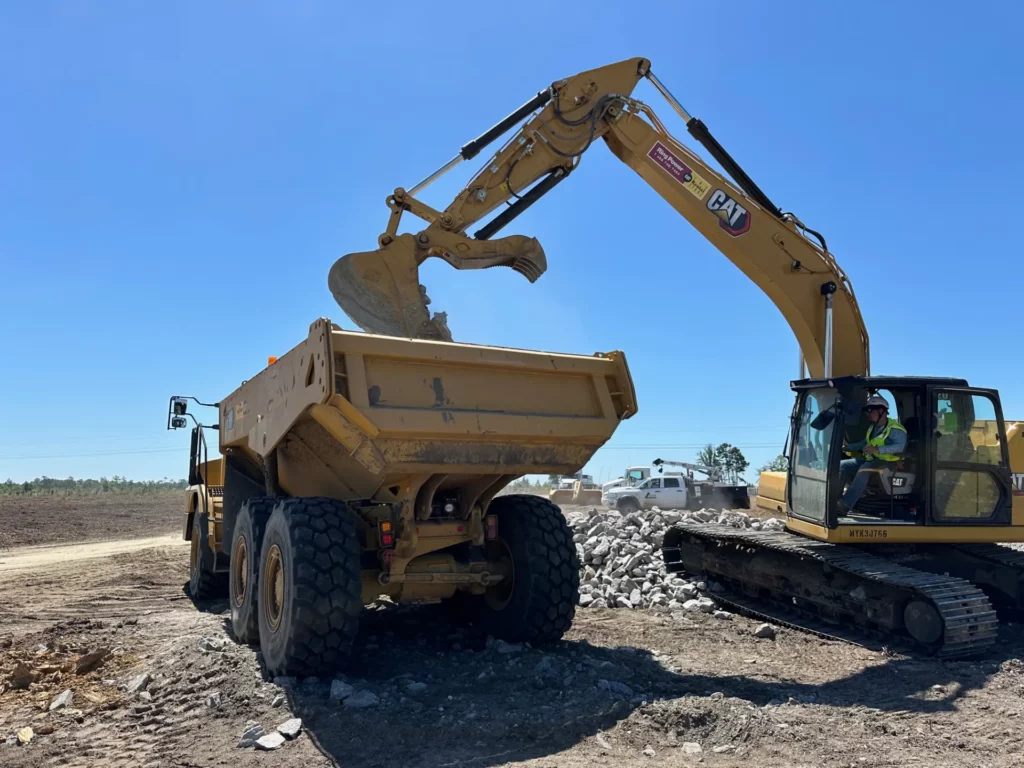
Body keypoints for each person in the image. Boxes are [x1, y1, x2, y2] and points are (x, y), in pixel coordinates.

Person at [838, 395, 907, 514]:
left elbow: (900, 446)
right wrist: (848, 447)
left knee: (864, 469)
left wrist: (878, 449)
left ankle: (845, 505)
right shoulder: (873, 428)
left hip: (888, 462)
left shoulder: (895, 429)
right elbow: (865, 442)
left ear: (881, 411)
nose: (868, 414)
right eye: (867, 411)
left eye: (871, 410)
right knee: (842, 465)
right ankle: (835, 499)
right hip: (870, 459)